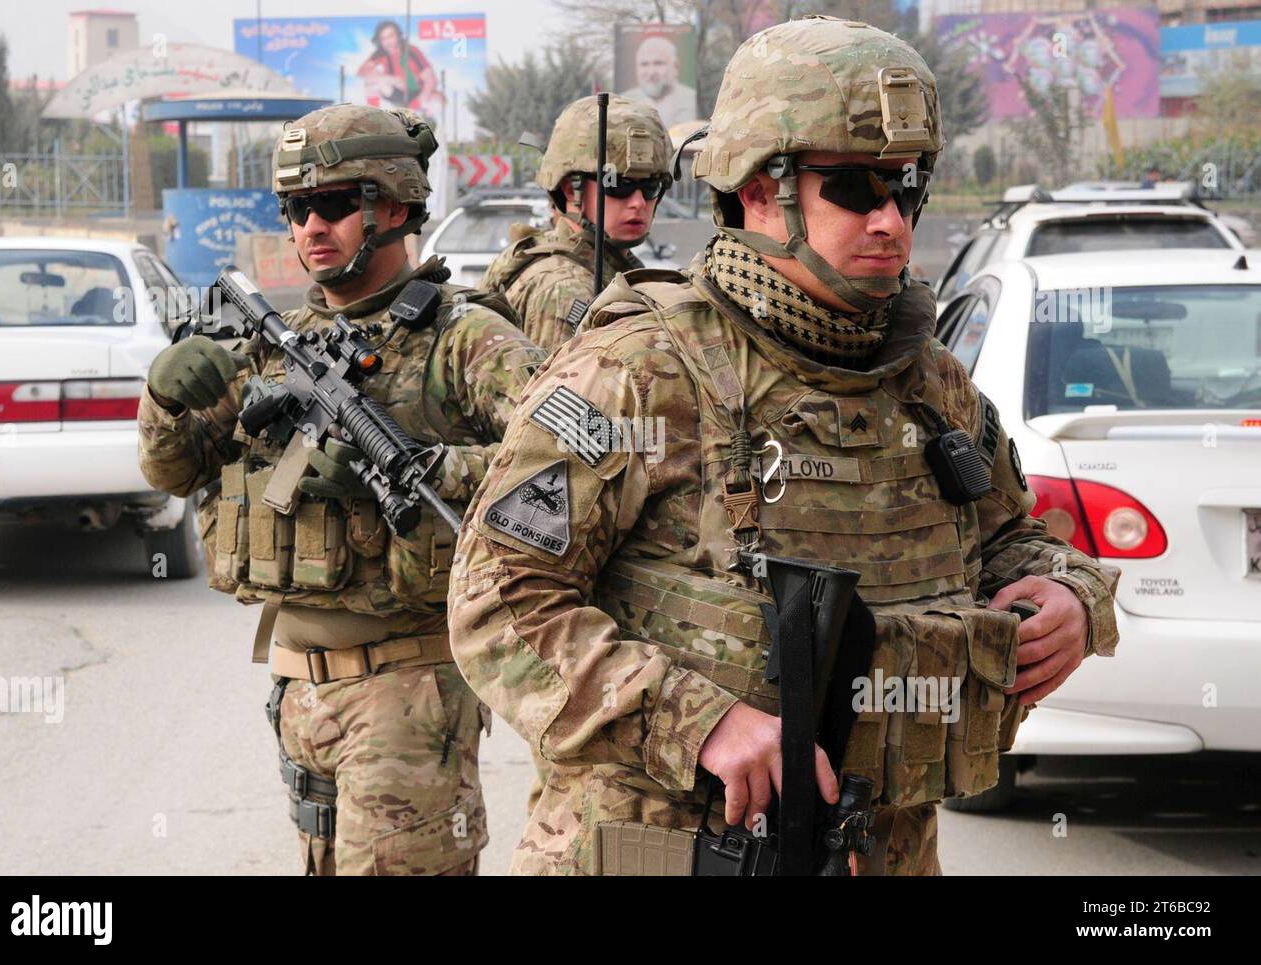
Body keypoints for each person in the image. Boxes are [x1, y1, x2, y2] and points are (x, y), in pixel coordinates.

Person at [446, 15, 1121, 876]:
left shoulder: (929, 382)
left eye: (908, 188)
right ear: (762, 189)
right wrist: (699, 720)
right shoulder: (644, 367)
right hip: (667, 850)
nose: (890, 220)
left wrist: (1071, 597)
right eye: (855, 188)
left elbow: (1008, 538)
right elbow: (497, 596)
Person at [137, 105, 547, 876]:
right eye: (296, 208)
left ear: (393, 205)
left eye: (333, 204)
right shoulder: (274, 343)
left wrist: (420, 466)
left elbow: (563, 472)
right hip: (299, 694)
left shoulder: (465, 340)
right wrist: (162, 399)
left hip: (406, 695)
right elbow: (175, 471)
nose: (311, 226)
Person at [481, 94, 673, 353]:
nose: (638, 202)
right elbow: (561, 392)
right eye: (618, 185)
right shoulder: (566, 289)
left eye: (651, 186)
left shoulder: (599, 268)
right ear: (571, 190)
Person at [358, 20, 443, 116]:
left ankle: (421, 121)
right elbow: (361, 71)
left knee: (438, 99)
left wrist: (415, 104)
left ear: (398, 35)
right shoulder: (379, 55)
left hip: (417, 94)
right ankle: (374, 118)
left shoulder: (412, 51)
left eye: (390, 36)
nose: (387, 41)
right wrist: (391, 79)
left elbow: (431, 80)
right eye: (383, 38)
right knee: (371, 83)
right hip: (396, 94)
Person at [620, 34, 698, 127]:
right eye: (644, 64)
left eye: (659, 63)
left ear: (676, 67)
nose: (651, 72)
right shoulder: (624, 101)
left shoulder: (692, 100)